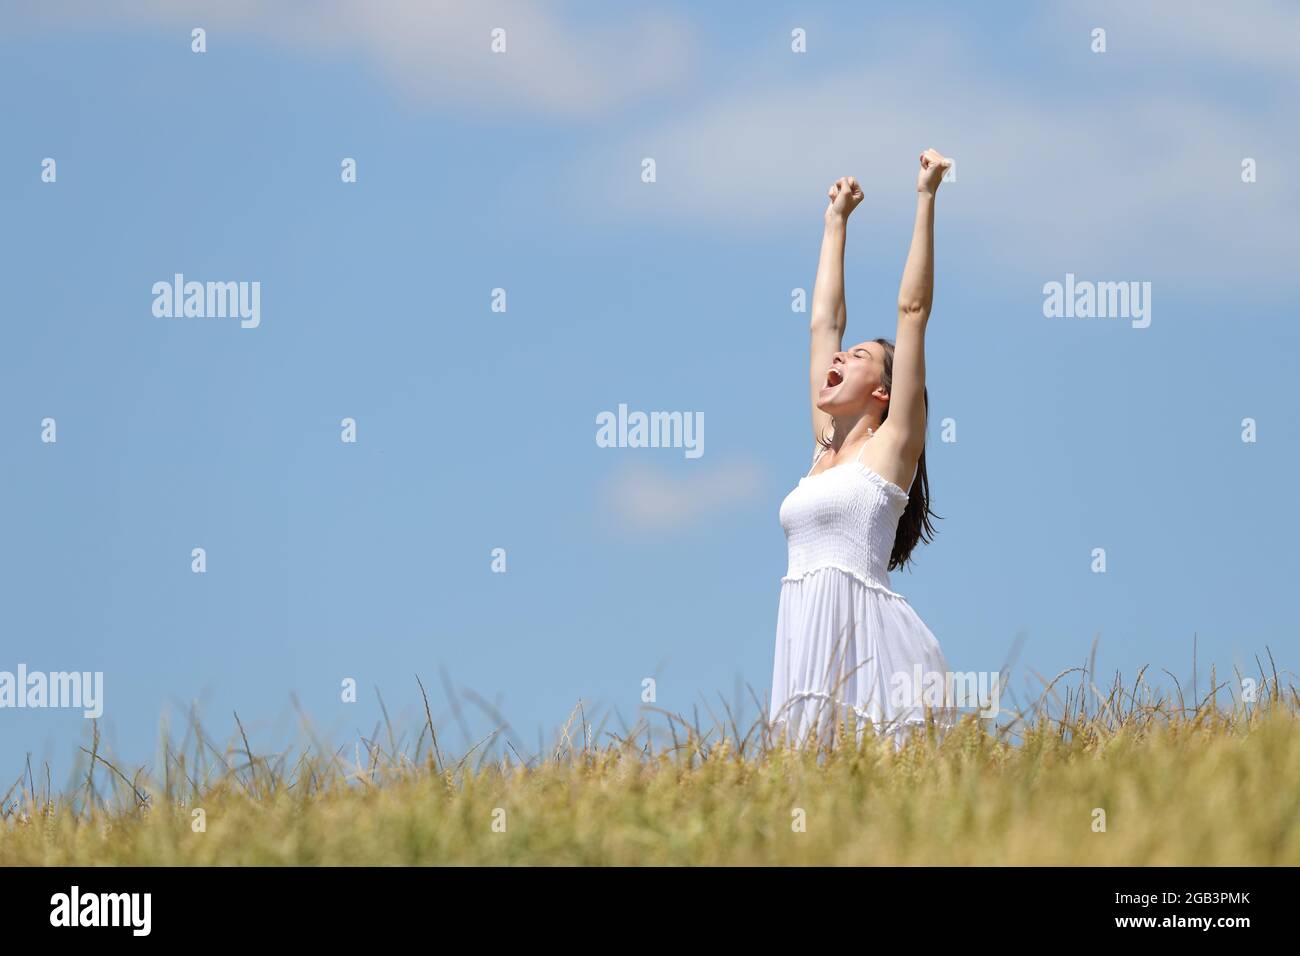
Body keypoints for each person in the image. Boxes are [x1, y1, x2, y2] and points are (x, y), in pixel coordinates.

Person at [769, 149, 956, 750]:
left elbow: (913, 311)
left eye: (856, 357)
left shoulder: (890, 451)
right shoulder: (823, 448)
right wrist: (835, 223)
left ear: (882, 391)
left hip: (868, 643)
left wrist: (925, 196)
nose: (838, 358)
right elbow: (823, 321)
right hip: (802, 636)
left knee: (869, 764)